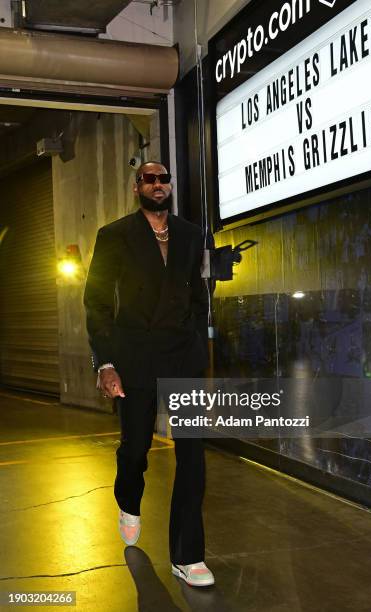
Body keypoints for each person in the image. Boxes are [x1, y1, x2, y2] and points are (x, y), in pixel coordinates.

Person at [83, 160, 214, 587]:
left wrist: (198, 343)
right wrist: (105, 363)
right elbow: (98, 302)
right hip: (134, 357)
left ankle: (188, 556)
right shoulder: (114, 235)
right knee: (135, 450)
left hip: (183, 357)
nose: (158, 185)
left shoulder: (192, 235)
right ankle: (128, 502)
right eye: (149, 179)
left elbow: (200, 295)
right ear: (136, 186)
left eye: (164, 179)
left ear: (169, 186)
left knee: (192, 456)